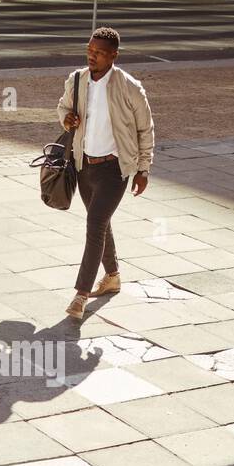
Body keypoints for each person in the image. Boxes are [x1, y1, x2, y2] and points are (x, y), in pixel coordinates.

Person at [55, 26, 155, 321]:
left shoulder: (130, 87)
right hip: (84, 165)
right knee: (101, 222)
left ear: (113, 55)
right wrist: (66, 118)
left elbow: (145, 129)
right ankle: (112, 276)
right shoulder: (77, 80)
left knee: (95, 223)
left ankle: (80, 295)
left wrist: (143, 168)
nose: (92, 56)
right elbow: (62, 108)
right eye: (89, 50)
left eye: (98, 52)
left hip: (115, 169)